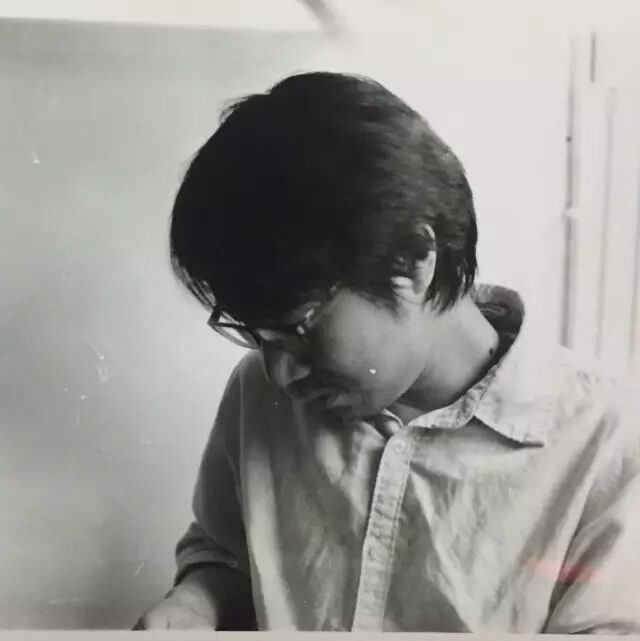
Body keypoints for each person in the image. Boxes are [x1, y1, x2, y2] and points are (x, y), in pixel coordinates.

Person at [136, 72, 640, 633]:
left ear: (413, 260)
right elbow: (227, 554)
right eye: (258, 337)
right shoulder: (258, 392)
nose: (280, 373)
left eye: (299, 329)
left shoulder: (608, 441)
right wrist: (196, 603)